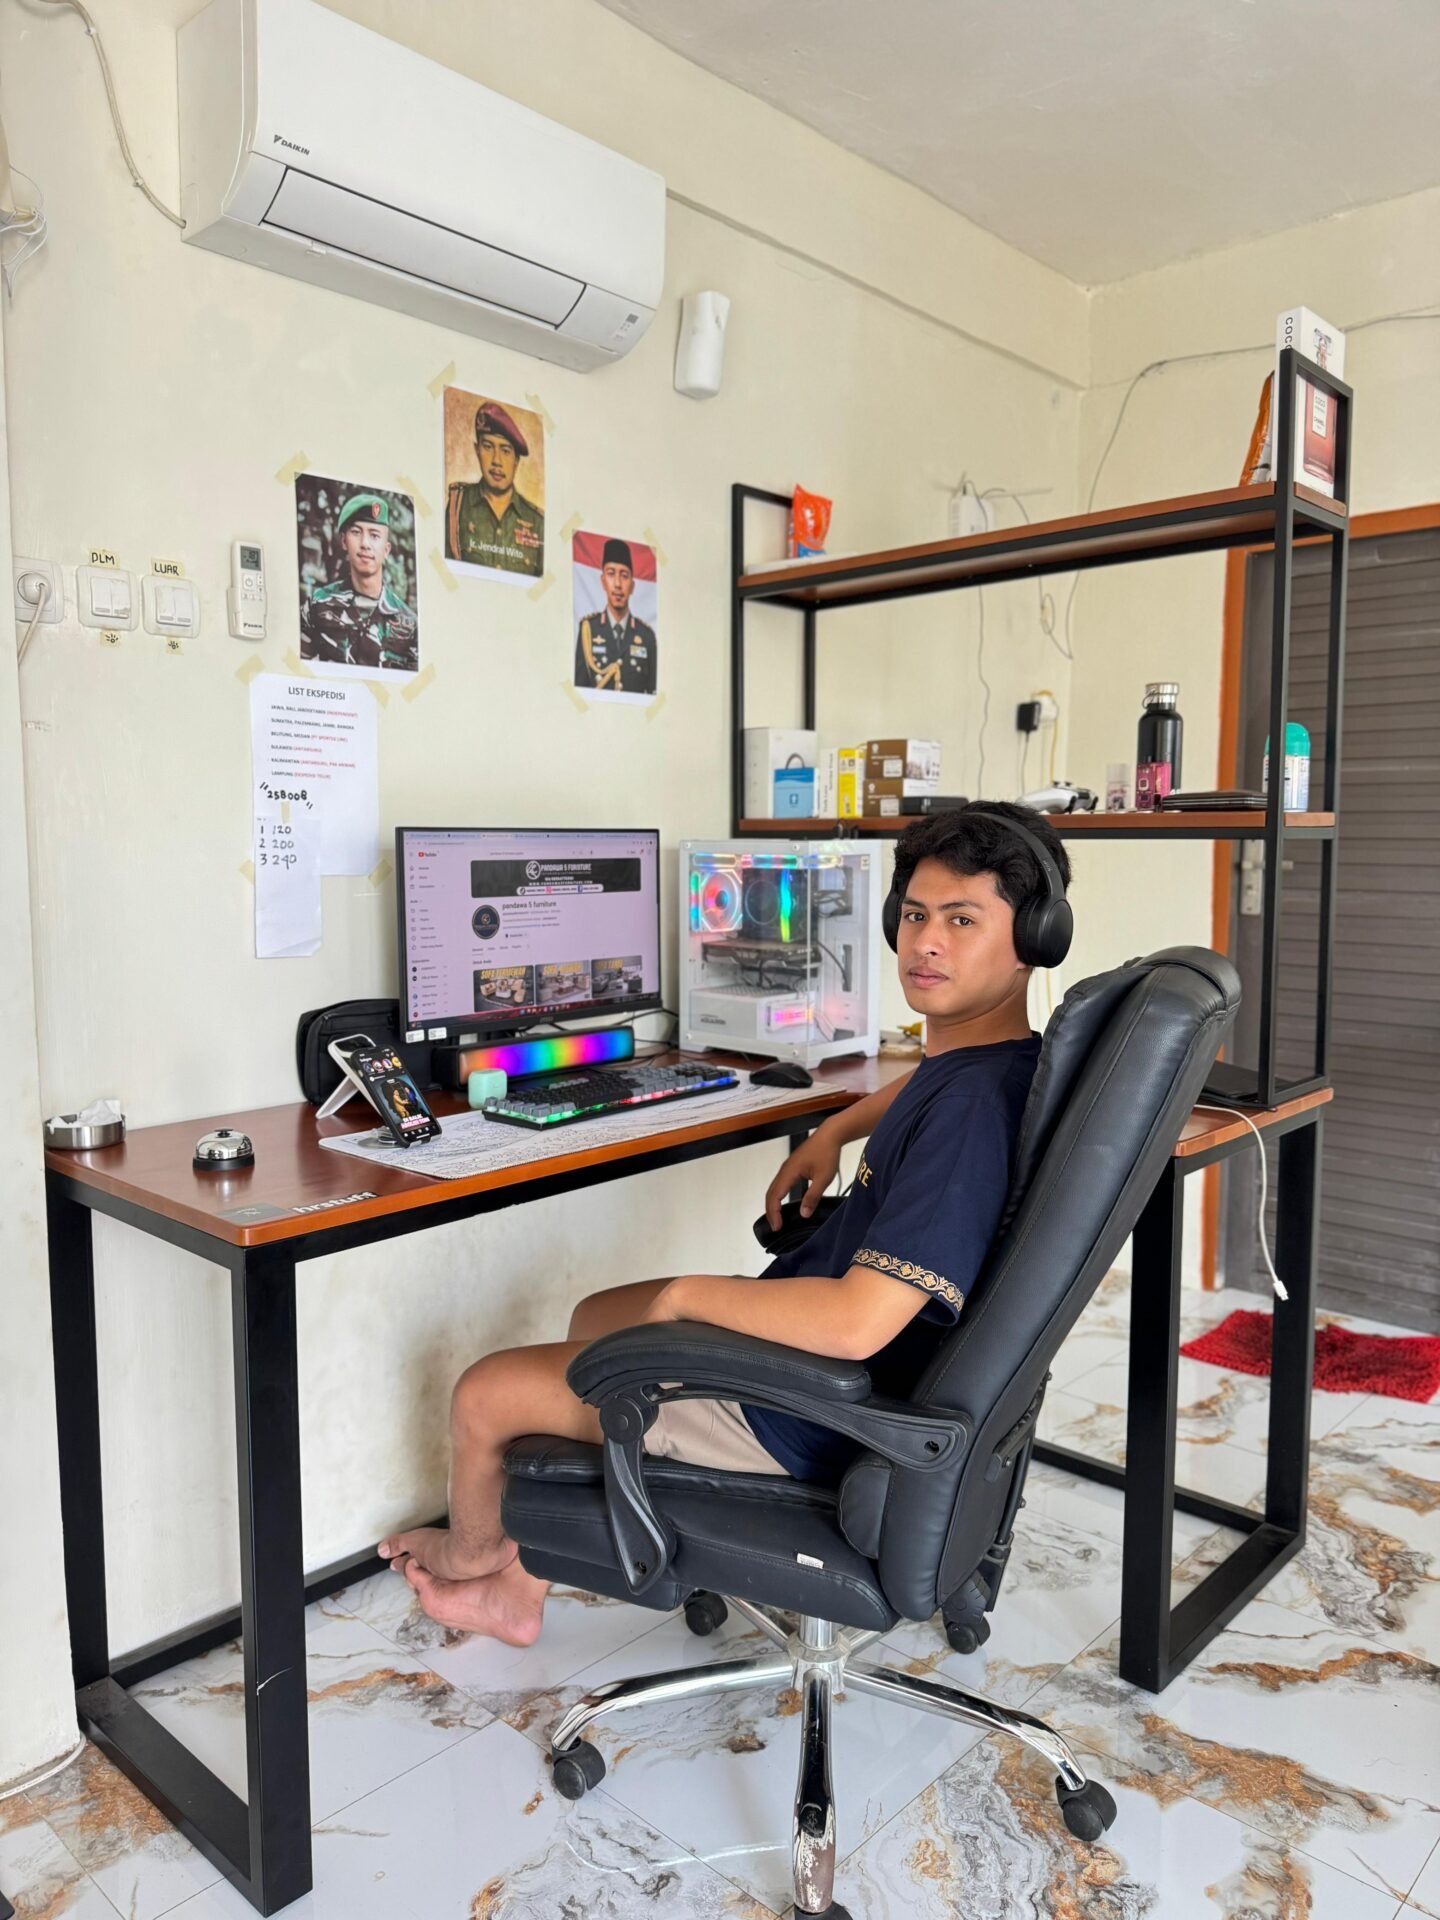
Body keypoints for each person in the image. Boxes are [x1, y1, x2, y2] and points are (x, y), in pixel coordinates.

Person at [378, 802, 1071, 1646]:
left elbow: (856, 1324)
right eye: (916, 915)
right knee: (597, 1319)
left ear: (1031, 938)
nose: (926, 942)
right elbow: (924, 1083)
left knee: (485, 1393)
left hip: (814, 1404)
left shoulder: (967, 1115)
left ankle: (477, 1568)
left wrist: (687, 1297)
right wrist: (834, 1129)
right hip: (860, 1379)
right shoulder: (995, 1066)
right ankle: (531, 1572)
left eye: (962, 921)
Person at [300, 492, 418, 672]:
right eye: (356, 532)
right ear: (344, 541)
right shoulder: (318, 605)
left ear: (386, 550)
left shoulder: (408, 623)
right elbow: (297, 671)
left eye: (375, 535)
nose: (365, 544)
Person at [445, 401, 544, 576]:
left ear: (516, 460)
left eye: (505, 451)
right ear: (477, 450)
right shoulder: (457, 506)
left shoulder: (537, 522)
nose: (496, 461)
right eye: (488, 447)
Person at [574, 538, 657, 695]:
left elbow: (653, 694)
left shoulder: (646, 636)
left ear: (632, 586)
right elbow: (579, 690)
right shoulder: (588, 630)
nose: (618, 584)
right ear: (603, 581)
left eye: (624, 576)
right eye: (611, 574)